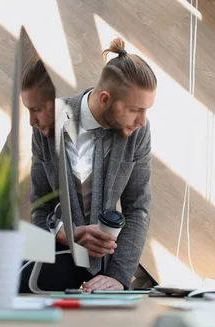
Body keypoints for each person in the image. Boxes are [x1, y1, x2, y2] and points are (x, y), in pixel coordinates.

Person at [24, 37, 156, 292]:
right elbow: (40, 207)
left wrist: (118, 277)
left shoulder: (139, 132)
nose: (141, 121)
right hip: (54, 267)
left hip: (106, 275)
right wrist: (65, 232)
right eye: (134, 110)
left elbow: (138, 208)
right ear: (105, 100)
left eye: (146, 110)